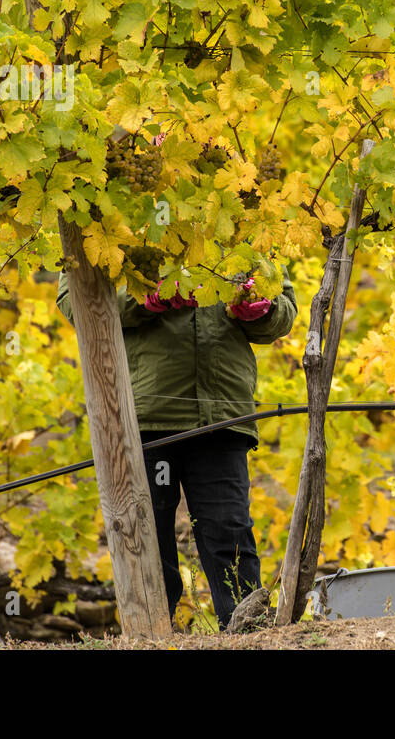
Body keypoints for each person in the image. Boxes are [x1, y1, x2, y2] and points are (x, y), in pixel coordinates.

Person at [56, 268, 297, 629]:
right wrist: (147, 300)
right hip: (143, 415)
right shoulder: (118, 219)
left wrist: (264, 309)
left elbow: (284, 311)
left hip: (221, 413)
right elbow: (76, 302)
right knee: (145, 534)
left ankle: (249, 632)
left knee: (229, 530)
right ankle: (150, 633)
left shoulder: (247, 221)